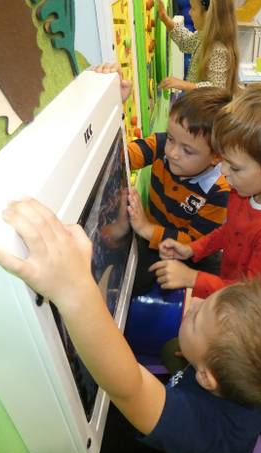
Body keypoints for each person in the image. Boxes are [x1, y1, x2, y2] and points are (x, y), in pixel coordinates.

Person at [0, 198, 261, 453]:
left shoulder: (200, 430)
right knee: (171, 350)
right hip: (209, 402)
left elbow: (130, 387)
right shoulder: (259, 377)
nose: (194, 305)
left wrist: (73, 289)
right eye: (205, 302)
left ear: (207, 377)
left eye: (197, 319)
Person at [151, 83, 261, 303]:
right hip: (229, 291)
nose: (224, 172)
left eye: (235, 167)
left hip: (251, 312)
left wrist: (193, 278)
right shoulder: (244, 190)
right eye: (224, 161)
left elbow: (251, 295)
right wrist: (192, 249)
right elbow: (230, 230)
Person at [94, 62, 232, 296]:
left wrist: (146, 229)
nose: (172, 152)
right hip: (154, 235)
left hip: (188, 251)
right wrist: (114, 106)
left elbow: (193, 242)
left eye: (187, 150)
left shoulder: (220, 191)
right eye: (170, 138)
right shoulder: (161, 145)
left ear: (216, 156)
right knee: (127, 275)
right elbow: (120, 157)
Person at [157, 0, 239, 93]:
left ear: (208, 15)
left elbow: (217, 89)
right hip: (196, 100)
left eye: (193, 8)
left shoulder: (219, 48)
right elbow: (186, 42)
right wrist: (165, 19)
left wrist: (184, 85)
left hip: (205, 102)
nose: (189, 12)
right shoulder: (204, 35)